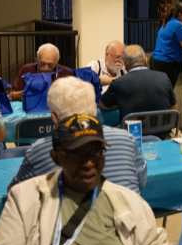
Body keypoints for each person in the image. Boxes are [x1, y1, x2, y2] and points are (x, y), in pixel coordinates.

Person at [0, 114, 171, 245]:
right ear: (56, 157)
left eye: (96, 152)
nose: (89, 162)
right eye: (78, 154)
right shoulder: (25, 198)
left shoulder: (128, 200)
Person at [10, 77, 146, 194]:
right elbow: (141, 182)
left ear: (54, 118)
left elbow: (15, 192)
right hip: (132, 221)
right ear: (94, 110)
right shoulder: (127, 138)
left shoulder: (39, 149)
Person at [100, 46, 176, 137]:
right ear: (146, 59)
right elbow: (173, 105)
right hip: (164, 134)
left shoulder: (119, 83)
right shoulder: (164, 77)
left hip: (133, 136)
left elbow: (103, 105)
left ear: (125, 63)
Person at [9, 43, 74, 99]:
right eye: (42, 64)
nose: (46, 68)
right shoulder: (26, 70)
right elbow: (12, 94)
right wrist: (27, 93)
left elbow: (73, 96)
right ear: (37, 59)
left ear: (57, 61)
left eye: (50, 65)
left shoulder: (67, 73)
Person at [151, 2, 182, 86]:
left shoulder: (167, 22)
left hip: (156, 61)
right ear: (180, 14)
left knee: (161, 89)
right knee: (167, 90)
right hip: (168, 63)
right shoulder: (179, 25)